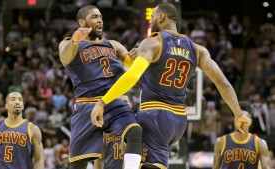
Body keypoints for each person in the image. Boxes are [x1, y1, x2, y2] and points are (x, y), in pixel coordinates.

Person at [91, 3, 251, 168]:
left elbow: (132, 75)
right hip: (178, 122)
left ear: (161, 17)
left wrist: (103, 102)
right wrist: (238, 113)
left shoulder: (152, 43)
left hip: (155, 115)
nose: (151, 20)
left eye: (153, 16)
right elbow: (222, 83)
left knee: (123, 129)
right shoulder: (197, 50)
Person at [58, 5, 142, 169]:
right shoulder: (69, 43)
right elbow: (65, 59)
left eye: (101, 17)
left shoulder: (113, 45)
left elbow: (133, 66)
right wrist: (75, 40)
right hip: (87, 104)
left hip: (111, 101)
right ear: (82, 22)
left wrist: (138, 55)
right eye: (95, 17)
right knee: (79, 163)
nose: (100, 21)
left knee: (135, 132)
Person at [0, 91, 44, 169]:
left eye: (20, 100)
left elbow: (38, 159)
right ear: (6, 106)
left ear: (23, 106)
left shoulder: (33, 129)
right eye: (13, 99)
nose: (17, 102)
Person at [213, 102, 272, 169]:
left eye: (244, 121)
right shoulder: (220, 142)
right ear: (234, 120)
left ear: (250, 122)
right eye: (239, 120)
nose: (241, 124)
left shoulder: (260, 143)